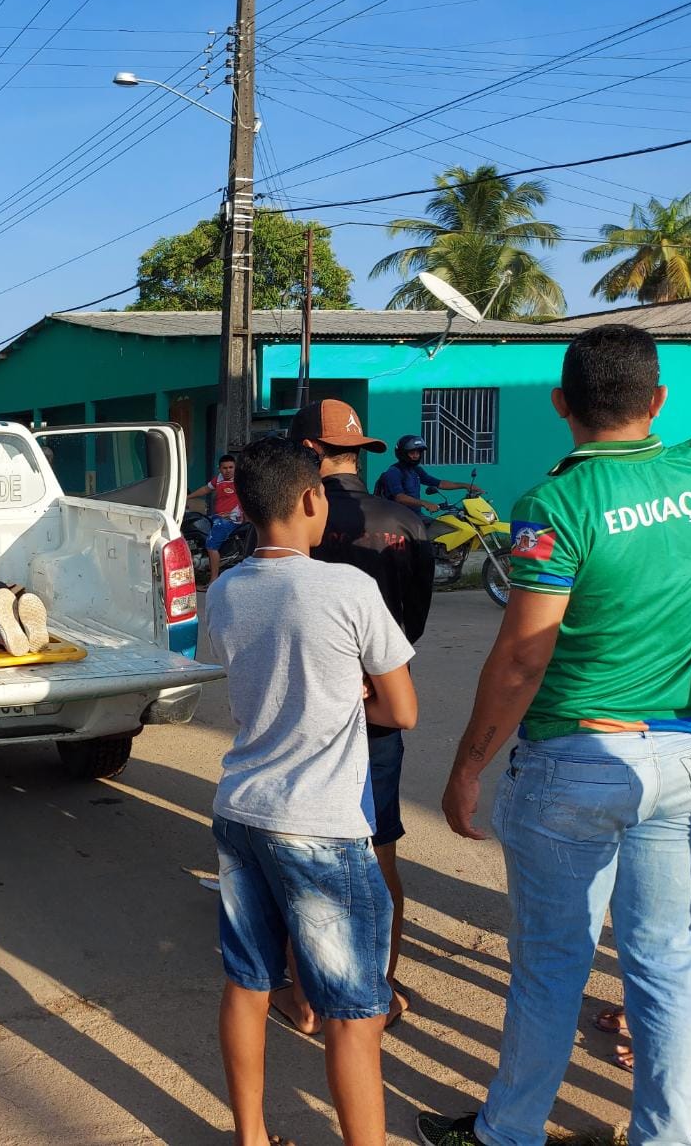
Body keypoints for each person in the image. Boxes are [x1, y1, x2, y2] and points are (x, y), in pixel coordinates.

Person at [418, 324, 691, 1146]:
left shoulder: (555, 503)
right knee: (663, 964)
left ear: (561, 405)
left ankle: (509, 1135)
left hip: (574, 761)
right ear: (660, 401)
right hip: (679, 758)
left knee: (551, 969)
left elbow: (523, 655)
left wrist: (469, 764)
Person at [206, 437, 417, 1146]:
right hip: (322, 825)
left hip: (240, 811)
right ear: (309, 499)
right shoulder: (347, 588)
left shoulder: (227, 589)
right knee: (355, 1015)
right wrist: (350, 693)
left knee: (249, 980)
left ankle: (253, 1139)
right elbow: (403, 710)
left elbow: (239, 673)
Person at [281, 399, 434, 1036]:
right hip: (379, 708)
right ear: (359, 451)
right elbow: (416, 623)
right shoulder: (405, 521)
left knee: (299, 848)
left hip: (306, 706)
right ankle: (381, 986)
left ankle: (308, 995)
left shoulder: (294, 522)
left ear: (309, 453)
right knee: (380, 850)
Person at [375, 435, 482, 516]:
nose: (416, 456)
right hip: (399, 518)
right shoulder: (394, 472)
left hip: (415, 516)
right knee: (426, 542)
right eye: (412, 453)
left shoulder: (416, 470)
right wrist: (425, 503)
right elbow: (399, 497)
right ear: (403, 453)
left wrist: (466, 485)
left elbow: (439, 483)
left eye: (418, 453)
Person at [186, 453, 244, 580]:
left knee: (211, 545)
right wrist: (187, 497)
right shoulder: (218, 479)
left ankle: (213, 579)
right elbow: (205, 489)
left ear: (235, 467)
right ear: (220, 468)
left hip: (231, 520)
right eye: (225, 468)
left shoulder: (240, 481)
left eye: (231, 467)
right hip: (217, 517)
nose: (228, 470)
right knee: (199, 527)